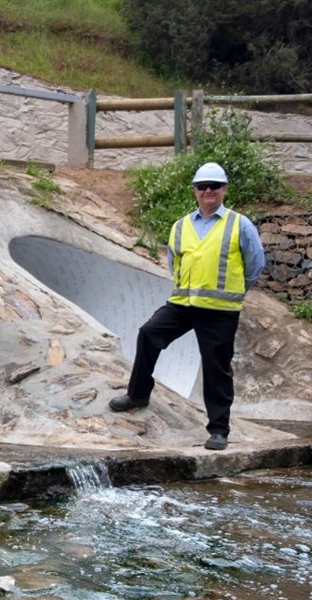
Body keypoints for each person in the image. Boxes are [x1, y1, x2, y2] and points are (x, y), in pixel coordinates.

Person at [108, 162, 266, 451]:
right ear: (195, 190)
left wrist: (234, 293)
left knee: (217, 369)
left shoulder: (239, 224)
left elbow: (255, 264)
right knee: (148, 334)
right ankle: (138, 395)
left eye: (214, 186)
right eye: (202, 186)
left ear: (224, 190)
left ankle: (219, 430)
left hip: (220, 311)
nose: (208, 191)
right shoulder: (180, 225)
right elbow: (173, 263)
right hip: (182, 304)